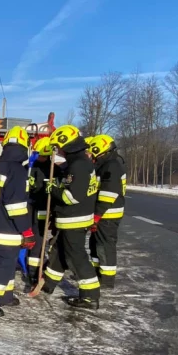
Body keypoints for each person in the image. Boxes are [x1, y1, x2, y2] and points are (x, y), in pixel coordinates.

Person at [41, 124, 101, 309]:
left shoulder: (79, 166)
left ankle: (90, 297)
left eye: (58, 147)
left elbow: (72, 196)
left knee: (77, 258)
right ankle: (48, 284)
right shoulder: (79, 163)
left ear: (66, 144)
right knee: (58, 252)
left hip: (74, 220)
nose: (58, 150)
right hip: (71, 219)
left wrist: (54, 190)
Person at [0, 126, 35, 317]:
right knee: (4, 265)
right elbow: (16, 206)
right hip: (9, 228)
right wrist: (27, 231)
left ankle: (5, 295)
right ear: (24, 145)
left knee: (8, 264)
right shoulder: (17, 170)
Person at [86, 134, 126, 289]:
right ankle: (96, 272)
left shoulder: (112, 166)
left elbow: (108, 194)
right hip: (103, 214)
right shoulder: (106, 164)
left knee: (105, 246)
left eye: (96, 155)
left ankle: (107, 280)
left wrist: (96, 215)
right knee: (95, 244)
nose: (94, 158)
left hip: (108, 214)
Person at [26, 136, 53, 285]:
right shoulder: (32, 165)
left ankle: (35, 271)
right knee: (34, 240)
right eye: (38, 155)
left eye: (43, 155)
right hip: (32, 206)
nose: (40, 157)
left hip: (44, 209)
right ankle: (32, 272)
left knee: (40, 241)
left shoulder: (53, 168)